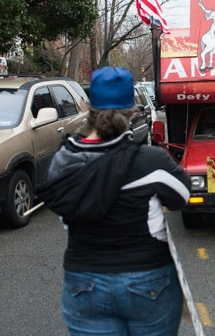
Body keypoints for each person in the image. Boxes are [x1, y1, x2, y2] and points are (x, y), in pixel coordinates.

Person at [36, 67, 190, 335]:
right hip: (147, 279)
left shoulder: (64, 159)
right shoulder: (151, 162)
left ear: (89, 109)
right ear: (132, 113)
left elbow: (64, 216)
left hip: (84, 280)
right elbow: (182, 197)